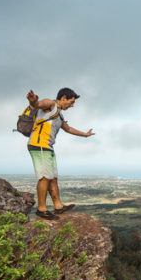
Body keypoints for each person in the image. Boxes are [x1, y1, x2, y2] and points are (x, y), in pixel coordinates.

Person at [26, 87, 95, 220]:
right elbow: (39, 104)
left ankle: (58, 206)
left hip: (48, 147)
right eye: (71, 102)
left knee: (53, 178)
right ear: (63, 98)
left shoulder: (59, 114)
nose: (72, 105)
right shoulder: (51, 105)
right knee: (45, 177)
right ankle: (41, 209)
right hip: (38, 144)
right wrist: (34, 101)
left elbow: (68, 128)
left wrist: (85, 135)